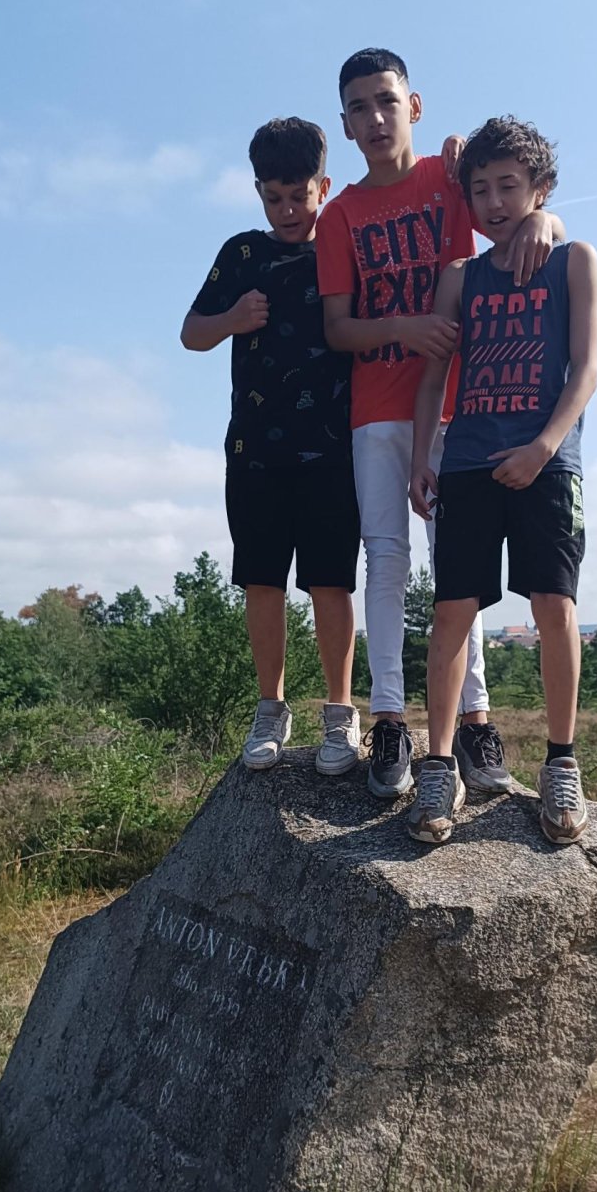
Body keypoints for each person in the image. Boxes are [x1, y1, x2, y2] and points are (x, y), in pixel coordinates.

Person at [317, 48, 564, 800]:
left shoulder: (451, 180)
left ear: (414, 106)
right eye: (358, 107)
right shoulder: (341, 215)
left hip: (467, 407)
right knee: (386, 560)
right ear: (345, 123)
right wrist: (408, 325)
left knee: (460, 573)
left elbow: (512, 213)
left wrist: (546, 218)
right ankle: (390, 719)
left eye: (386, 101)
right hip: (376, 409)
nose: (375, 118)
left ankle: (475, 721)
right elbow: (338, 328)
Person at [406, 116, 597, 846]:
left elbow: (586, 369)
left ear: (540, 188)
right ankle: (437, 766)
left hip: (547, 463)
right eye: (480, 189)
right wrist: (422, 458)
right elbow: (434, 379)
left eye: (509, 187)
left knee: (554, 605)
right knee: (452, 613)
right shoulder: (460, 278)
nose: (493, 202)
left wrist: (545, 447)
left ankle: (561, 762)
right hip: (467, 463)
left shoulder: (574, 259)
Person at [181, 117, 361, 775]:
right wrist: (233, 319)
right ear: (258, 191)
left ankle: (340, 713)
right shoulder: (241, 254)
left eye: (299, 196)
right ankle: (271, 708)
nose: (286, 210)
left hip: (333, 452)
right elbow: (191, 333)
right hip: (254, 451)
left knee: (330, 582)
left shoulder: (344, 248)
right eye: (273, 197)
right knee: (262, 581)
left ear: (323, 187)